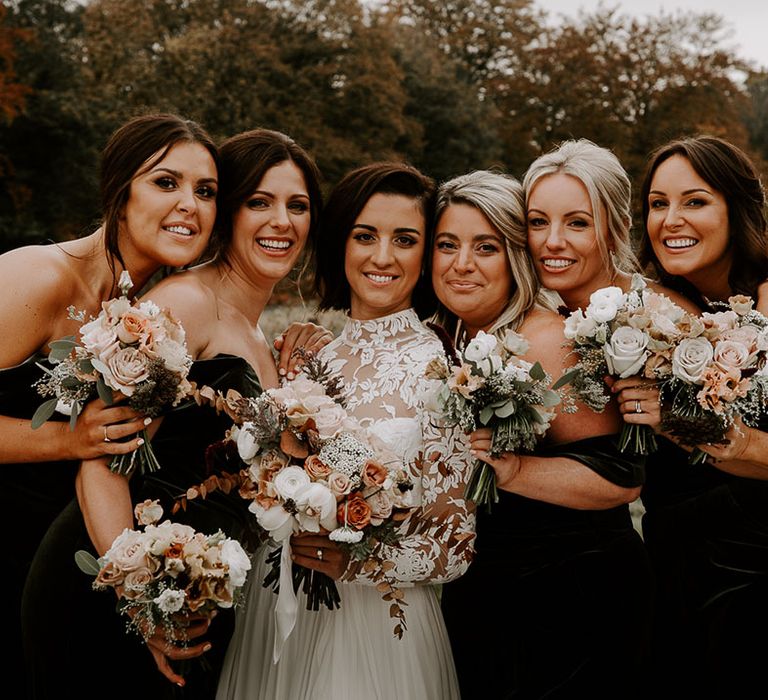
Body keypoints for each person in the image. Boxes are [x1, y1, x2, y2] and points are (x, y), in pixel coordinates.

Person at [22, 128, 326, 698]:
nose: (281, 220)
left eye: (298, 205)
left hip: (191, 598)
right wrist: (137, 595)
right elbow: (101, 461)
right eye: (259, 202)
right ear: (227, 214)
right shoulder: (186, 303)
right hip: (111, 587)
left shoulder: (259, 333)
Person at [216, 162, 476, 700]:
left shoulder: (447, 371)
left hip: (379, 626)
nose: (382, 257)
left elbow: (456, 546)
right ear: (341, 244)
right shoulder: (304, 360)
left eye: (404, 240)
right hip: (278, 606)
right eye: (365, 236)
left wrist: (360, 561)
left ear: (426, 256)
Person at [0, 112, 218, 682]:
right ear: (121, 194)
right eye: (166, 182)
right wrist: (68, 439)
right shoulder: (38, 277)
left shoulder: (162, 318)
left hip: (61, 569)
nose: (190, 204)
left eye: (206, 191)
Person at [435, 167, 654, 699]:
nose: (462, 264)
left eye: (485, 247)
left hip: (570, 601)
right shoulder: (448, 333)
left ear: (515, 255)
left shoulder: (548, 341)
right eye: (446, 245)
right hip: (490, 594)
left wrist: (512, 469)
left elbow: (620, 479)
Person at [613, 135, 768, 697]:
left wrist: (691, 423)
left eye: (695, 201)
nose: (671, 220)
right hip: (675, 583)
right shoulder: (640, 316)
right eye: (658, 203)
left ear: (737, 208)